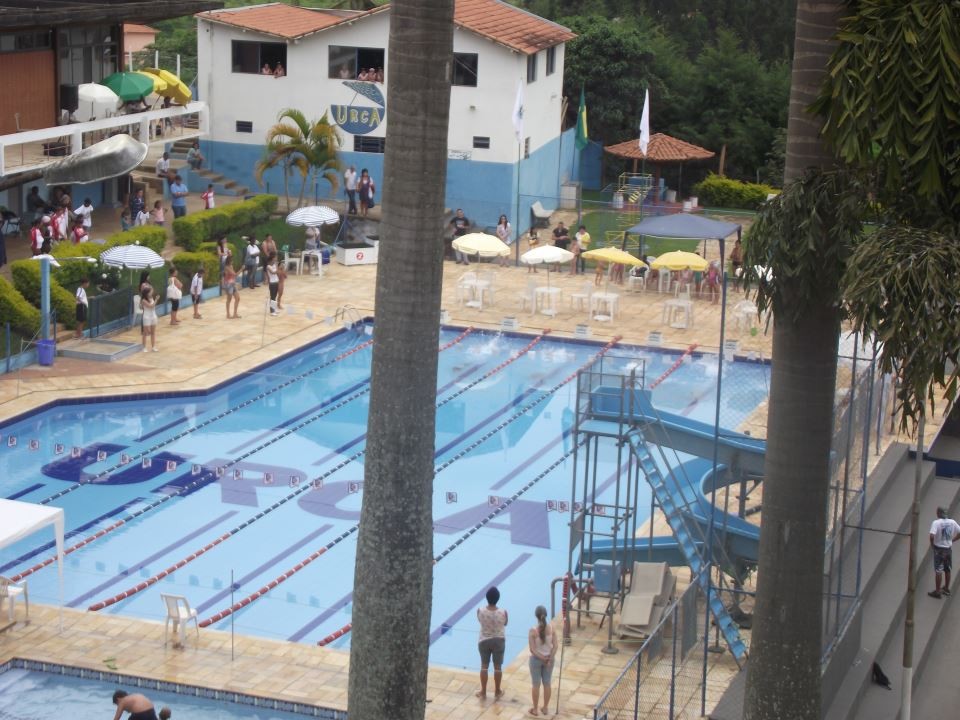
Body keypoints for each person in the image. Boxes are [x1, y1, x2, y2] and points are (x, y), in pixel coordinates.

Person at [476, 586, 508, 701]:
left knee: (484, 666)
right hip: (499, 640)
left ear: (487, 598)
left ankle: (483, 692)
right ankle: (497, 691)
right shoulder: (503, 612)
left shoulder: (480, 611)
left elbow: (480, 620)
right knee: (497, 667)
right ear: (498, 598)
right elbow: (506, 623)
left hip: (484, 640)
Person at [527, 605, 556, 716]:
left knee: (536, 684)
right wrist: (549, 658)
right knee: (547, 683)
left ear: (536, 616)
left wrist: (542, 658)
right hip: (549, 660)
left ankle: (535, 709)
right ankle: (545, 708)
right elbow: (555, 646)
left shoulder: (532, 631)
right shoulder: (552, 628)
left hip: (536, 660)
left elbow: (532, 649)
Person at [929, 507, 960, 598]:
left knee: (938, 570)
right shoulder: (952, 522)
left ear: (938, 513)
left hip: (939, 550)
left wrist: (932, 544)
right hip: (948, 549)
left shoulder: (936, 523)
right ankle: (946, 588)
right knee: (947, 569)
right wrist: (952, 540)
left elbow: (931, 536)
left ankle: (937, 592)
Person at [140, 286, 158, 352]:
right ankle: (144, 347)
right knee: (145, 333)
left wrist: (154, 299)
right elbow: (151, 306)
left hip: (153, 316)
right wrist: (156, 300)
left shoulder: (151, 298)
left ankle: (153, 347)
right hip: (147, 317)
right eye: (150, 291)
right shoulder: (143, 300)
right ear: (147, 293)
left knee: (153, 333)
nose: (152, 292)